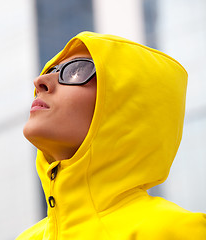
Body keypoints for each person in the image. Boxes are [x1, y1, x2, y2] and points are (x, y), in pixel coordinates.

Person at [17, 31, 206, 239]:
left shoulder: (176, 231)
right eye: (51, 69)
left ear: (125, 108)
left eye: (76, 71)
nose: (40, 81)